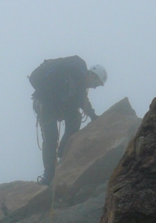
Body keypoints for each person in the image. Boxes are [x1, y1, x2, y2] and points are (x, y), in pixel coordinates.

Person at [29, 55, 107, 186]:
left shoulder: (75, 76)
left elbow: (81, 101)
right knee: (52, 139)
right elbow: (83, 101)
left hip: (46, 105)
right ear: (93, 76)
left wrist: (93, 116)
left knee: (56, 135)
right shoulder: (79, 78)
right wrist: (94, 117)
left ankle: (59, 158)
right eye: (96, 83)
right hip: (46, 106)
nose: (94, 87)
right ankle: (50, 174)